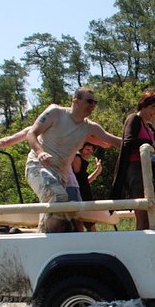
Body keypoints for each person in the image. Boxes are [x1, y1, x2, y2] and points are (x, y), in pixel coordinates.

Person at [26, 87, 121, 233]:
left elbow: (115, 141)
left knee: (66, 214)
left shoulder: (90, 127)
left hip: (60, 175)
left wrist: (147, 144)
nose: (93, 105)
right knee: (58, 197)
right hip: (38, 167)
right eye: (89, 101)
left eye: (95, 102)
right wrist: (40, 152)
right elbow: (31, 133)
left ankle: (46, 238)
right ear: (76, 101)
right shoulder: (55, 112)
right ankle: (45, 240)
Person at [110, 91, 155, 230]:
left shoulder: (148, 126)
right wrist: (149, 143)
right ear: (144, 105)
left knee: (150, 215)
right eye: (153, 108)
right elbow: (129, 142)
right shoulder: (133, 119)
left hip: (147, 172)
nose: (154, 112)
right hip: (135, 171)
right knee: (143, 214)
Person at [72, 141, 102, 231]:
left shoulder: (82, 160)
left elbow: (84, 182)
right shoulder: (77, 157)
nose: (89, 152)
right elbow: (78, 181)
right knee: (89, 226)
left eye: (91, 150)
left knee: (88, 224)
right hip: (80, 196)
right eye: (87, 149)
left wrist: (97, 171)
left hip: (85, 195)